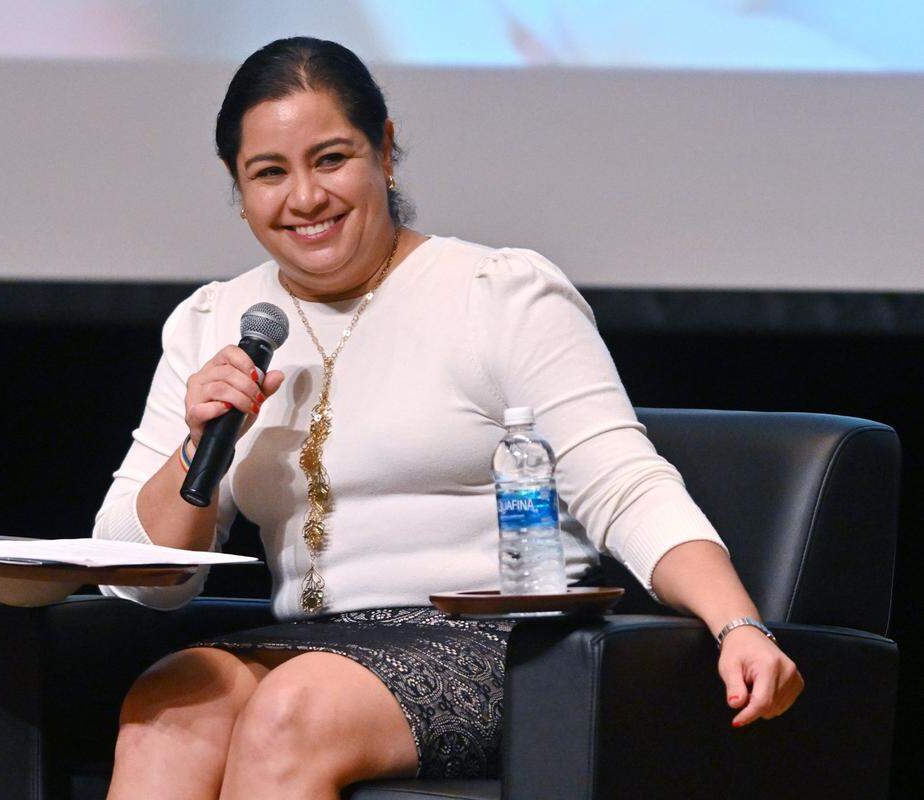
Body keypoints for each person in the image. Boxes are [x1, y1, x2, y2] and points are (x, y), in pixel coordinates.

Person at [94, 37, 804, 800]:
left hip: (495, 642)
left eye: (331, 159)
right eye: (269, 173)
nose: (304, 198)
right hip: (305, 641)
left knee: (292, 710)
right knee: (166, 704)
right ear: (239, 189)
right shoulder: (214, 321)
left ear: (386, 151)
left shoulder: (496, 293)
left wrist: (738, 623)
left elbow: (624, 485)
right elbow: (137, 577)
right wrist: (196, 447)